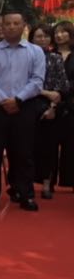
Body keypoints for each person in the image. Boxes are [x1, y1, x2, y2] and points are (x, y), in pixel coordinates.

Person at [0, 8, 46, 212]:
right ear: (1, 26)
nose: (11, 27)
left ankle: (25, 194)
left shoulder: (35, 52)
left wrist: (18, 99)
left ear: (24, 26)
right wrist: (4, 100)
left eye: (16, 23)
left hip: (24, 107)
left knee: (23, 152)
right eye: (7, 24)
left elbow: (37, 80)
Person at [29, 24, 69, 199]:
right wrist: (44, 92)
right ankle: (24, 183)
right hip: (27, 104)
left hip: (50, 107)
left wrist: (53, 106)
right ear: (31, 39)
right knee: (27, 146)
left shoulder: (55, 58)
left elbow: (62, 86)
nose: (43, 39)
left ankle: (47, 183)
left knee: (49, 147)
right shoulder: (25, 57)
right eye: (38, 36)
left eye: (46, 36)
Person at [54, 21, 74, 192]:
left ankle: (70, 180)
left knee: (71, 144)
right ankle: (48, 180)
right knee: (50, 144)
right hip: (52, 102)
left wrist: (65, 90)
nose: (59, 35)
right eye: (57, 32)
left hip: (71, 103)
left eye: (63, 32)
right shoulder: (50, 55)